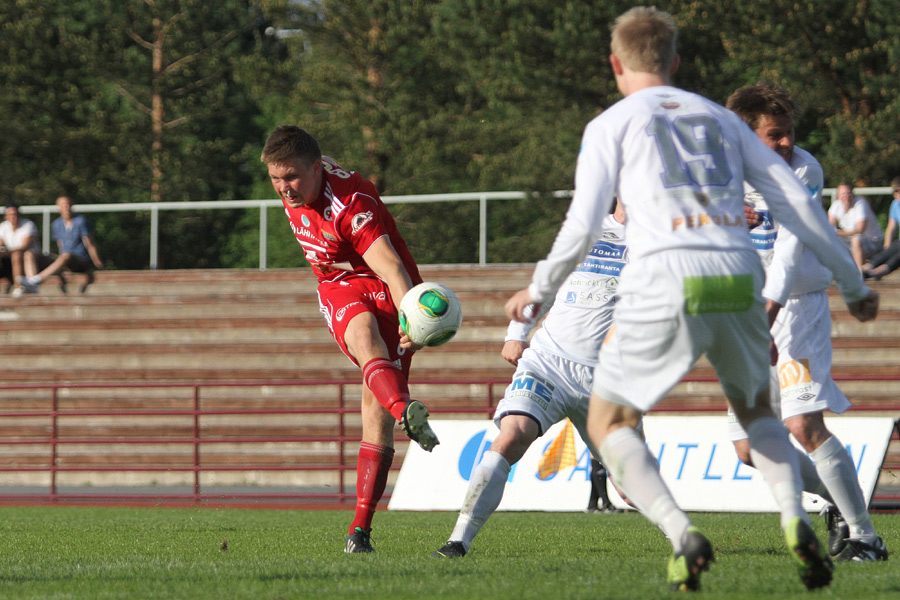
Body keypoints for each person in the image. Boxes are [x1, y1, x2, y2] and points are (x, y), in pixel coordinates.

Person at [504, 7, 878, 592]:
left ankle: (682, 533)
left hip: (667, 276)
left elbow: (583, 225)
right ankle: (794, 518)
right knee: (758, 417)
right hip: (736, 278)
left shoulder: (611, 124)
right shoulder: (721, 120)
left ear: (615, 64)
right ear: (676, 63)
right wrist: (853, 286)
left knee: (610, 421)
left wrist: (538, 290)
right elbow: (800, 209)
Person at [726, 82, 887, 562]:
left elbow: (795, 240)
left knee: (802, 423)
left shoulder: (804, 168)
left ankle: (866, 538)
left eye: (788, 132)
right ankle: (838, 502)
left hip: (795, 308)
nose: (785, 143)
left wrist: (770, 307)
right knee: (747, 449)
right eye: (774, 135)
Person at [260, 125, 439, 554]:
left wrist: (411, 319)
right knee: (361, 335)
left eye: (292, 178)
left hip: (382, 283)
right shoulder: (301, 180)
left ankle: (359, 532)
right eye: (275, 179)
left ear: (317, 168)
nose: (284, 188)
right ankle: (406, 408)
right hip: (339, 284)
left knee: (373, 415)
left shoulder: (350, 208)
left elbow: (393, 269)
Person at [432, 200, 627, 559]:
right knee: (511, 435)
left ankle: (687, 541)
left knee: (631, 487)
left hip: (607, 380)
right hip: (548, 361)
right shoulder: (585, 228)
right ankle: (457, 541)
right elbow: (547, 281)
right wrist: (517, 330)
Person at [18, 196, 104, 295]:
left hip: (80, 259)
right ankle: (32, 285)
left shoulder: (81, 221)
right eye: (63, 204)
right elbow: (61, 246)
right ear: (58, 207)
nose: (66, 207)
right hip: (64, 259)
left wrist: (98, 263)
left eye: (67, 204)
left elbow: (89, 244)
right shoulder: (56, 224)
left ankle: (36, 279)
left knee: (66, 255)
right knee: (29, 254)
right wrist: (60, 263)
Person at [828, 184, 883, 268]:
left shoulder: (861, 203)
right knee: (828, 240)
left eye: (849, 193)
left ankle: (859, 273)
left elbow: (860, 229)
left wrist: (838, 233)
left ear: (853, 194)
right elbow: (829, 225)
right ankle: (832, 272)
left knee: (856, 240)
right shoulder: (836, 205)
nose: (846, 196)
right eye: (843, 194)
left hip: (873, 241)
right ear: (838, 196)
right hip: (851, 240)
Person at [862, 177, 900, 280]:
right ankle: (864, 271)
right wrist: (887, 246)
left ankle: (873, 274)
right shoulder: (895, 204)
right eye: (895, 191)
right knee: (885, 254)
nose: (896, 194)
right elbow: (891, 227)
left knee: (896, 257)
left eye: (898, 190)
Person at [0, 203, 42, 297]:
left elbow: (24, 247)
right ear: (6, 217)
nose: (13, 217)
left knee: (17, 255)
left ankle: (18, 287)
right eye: (10, 214)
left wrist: (6, 251)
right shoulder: (3, 226)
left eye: (15, 214)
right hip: (10, 259)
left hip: (31, 258)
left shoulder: (28, 225)